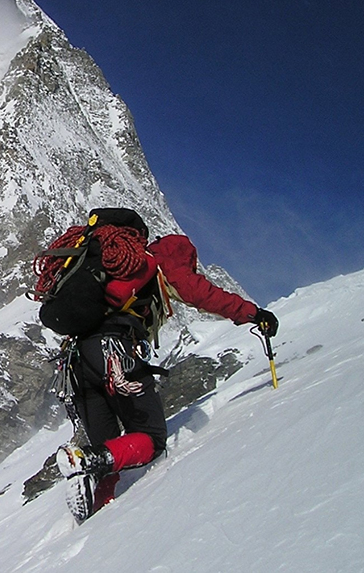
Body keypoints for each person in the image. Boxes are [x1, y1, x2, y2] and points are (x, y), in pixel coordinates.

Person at [43, 210, 279, 522]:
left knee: (110, 448)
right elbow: (204, 295)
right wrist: (254, 314)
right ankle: (85, 460)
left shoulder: (104, 267)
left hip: (76, 364)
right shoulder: (157, 261)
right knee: (151, 438)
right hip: (113, 353)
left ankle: (96, 514)